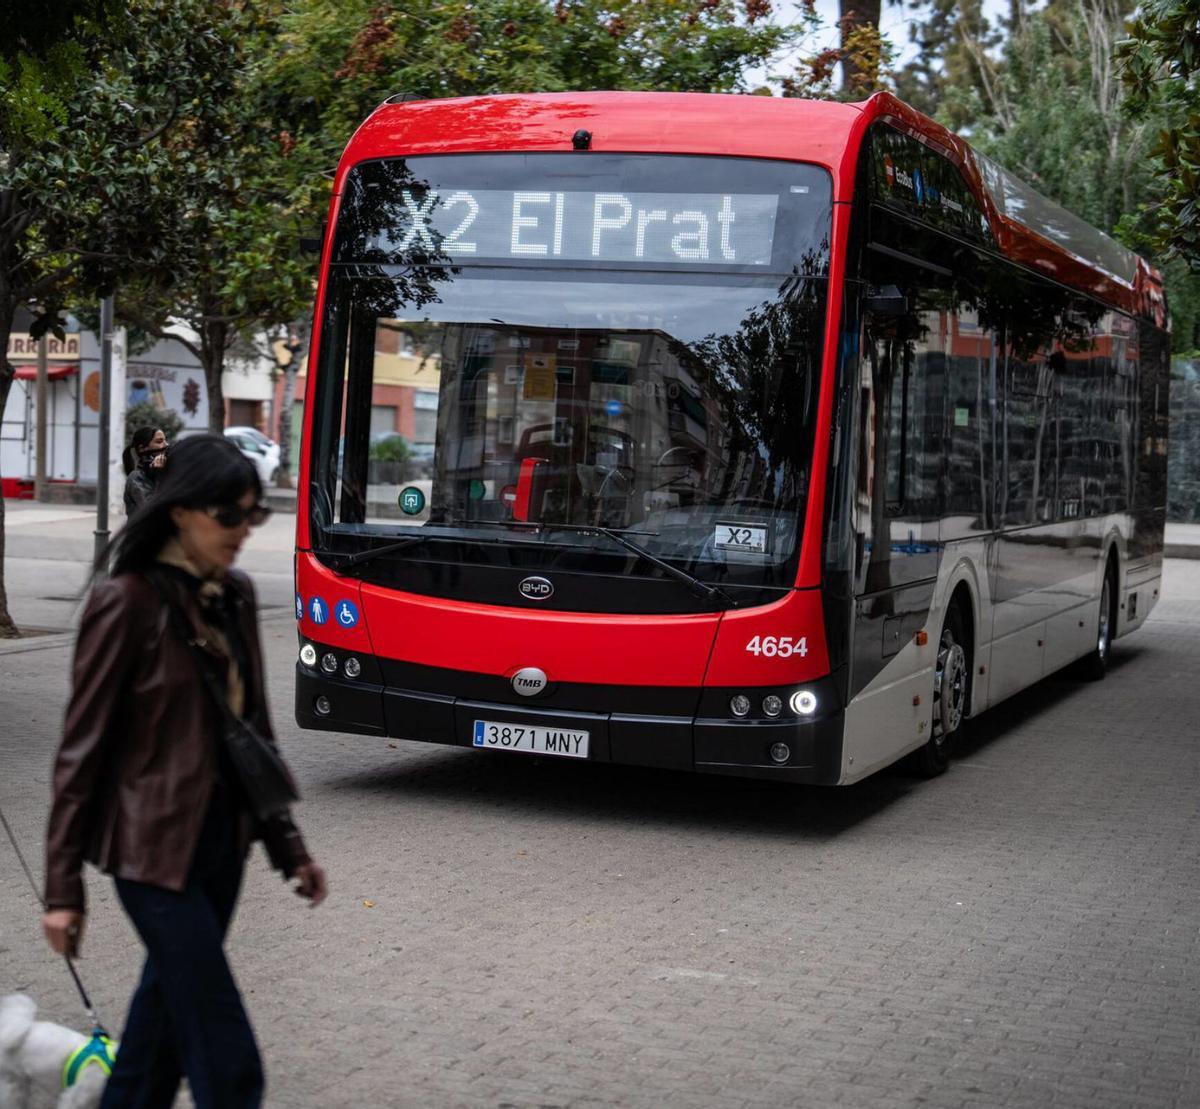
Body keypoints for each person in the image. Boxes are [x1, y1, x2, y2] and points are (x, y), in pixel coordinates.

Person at [42, 434, 327, 1109]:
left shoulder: (234, 595)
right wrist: (62, 889)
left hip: (223, 848)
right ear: (179, 511)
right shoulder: (126, 603)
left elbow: (252, 731)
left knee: (153, 1050)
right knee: (228, 1064)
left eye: (252, 515)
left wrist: (290, 846)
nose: (242, 531)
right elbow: (80, 754)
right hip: (151, 857)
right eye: (227, 515)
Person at [122, 426, 168, 514]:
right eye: (159, 441)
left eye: (165, 440)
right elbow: (153, 510)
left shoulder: (163, 471)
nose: (166, 445)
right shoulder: (136, 477)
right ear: (142, 448)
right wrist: (159, 475)